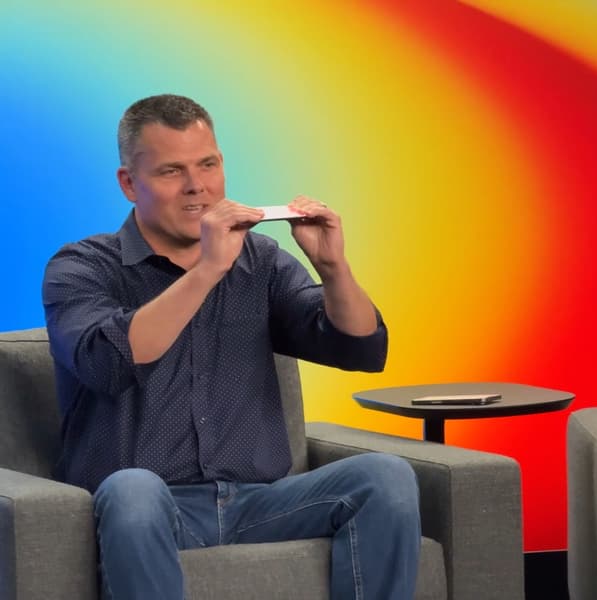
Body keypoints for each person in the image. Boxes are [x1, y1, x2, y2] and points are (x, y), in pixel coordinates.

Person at [42, 94, 420, 600]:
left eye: (208, 165)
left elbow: (359, 349)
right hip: (152, 508)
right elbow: (107, 363)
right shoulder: (81, 266)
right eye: (172, 171)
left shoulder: (261, 260)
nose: (196, 186)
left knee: (384, 476)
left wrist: (333, 268)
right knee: (132, 489)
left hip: (261, 503)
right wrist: (207, 270)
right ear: (129, 184)